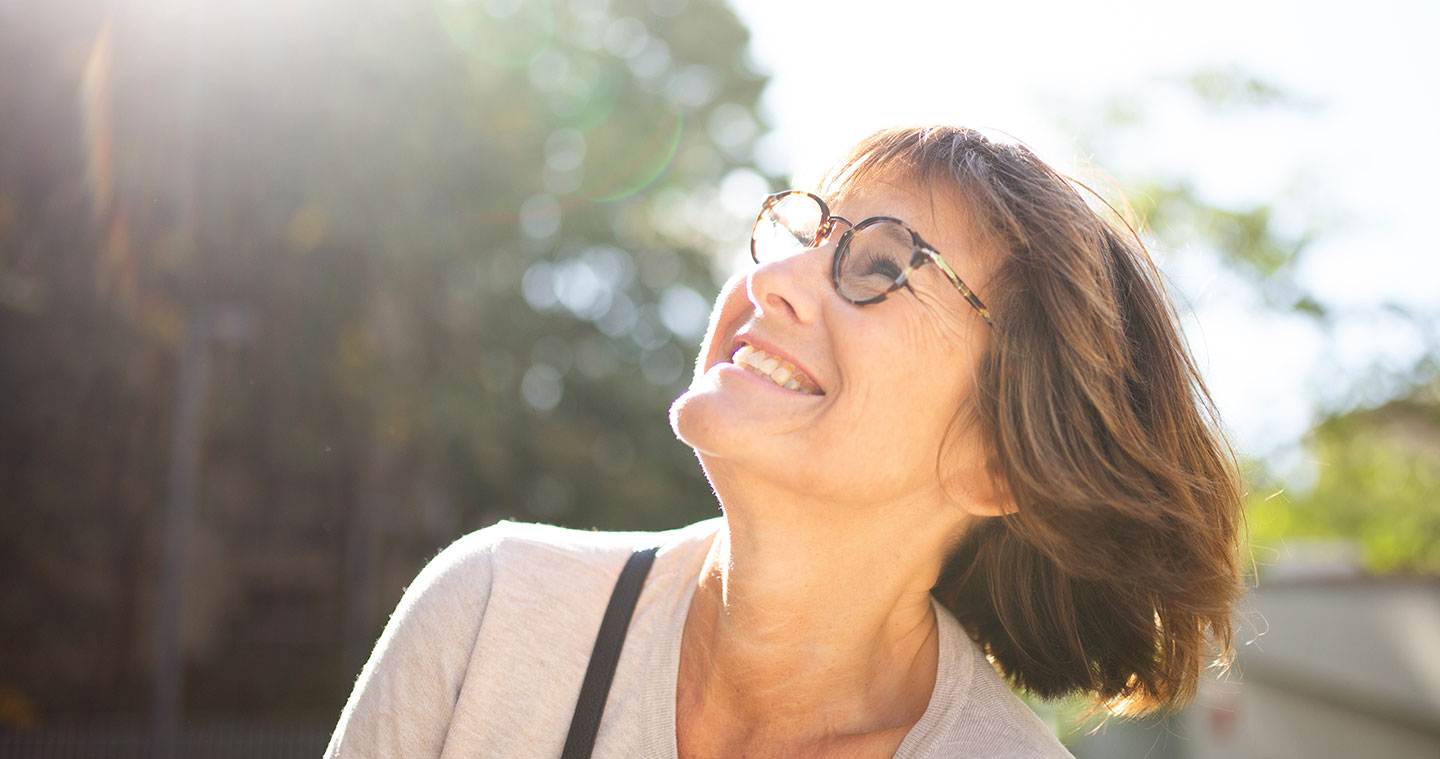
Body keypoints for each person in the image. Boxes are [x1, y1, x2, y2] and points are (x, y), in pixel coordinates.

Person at [324, 126, 1245, 758]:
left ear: (1001, 460)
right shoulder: (491, 614)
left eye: (883, 266)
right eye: (808, 231)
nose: (778, 279)